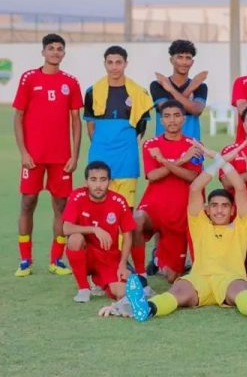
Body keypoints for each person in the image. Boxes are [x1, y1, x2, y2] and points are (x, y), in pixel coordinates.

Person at [124, 142, 247, 324]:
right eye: (214, 205)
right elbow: (195, 187)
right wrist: (217, 163)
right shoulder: (200, 223)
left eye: (225, 206)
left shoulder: (241, 226)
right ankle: (147, 308)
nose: (219, 210)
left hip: (229, 278)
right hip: (199, 278)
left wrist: (224, 162)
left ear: (232, 210)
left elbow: (241, 188)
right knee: (178, 291)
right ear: (207, 210)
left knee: (238, 291)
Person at [14, 33, 83, 277]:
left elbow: (76, 121)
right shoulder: (29, 78)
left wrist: (74, 155)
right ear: (43, 52)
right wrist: (24, 152)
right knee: (28, 202)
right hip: (33, 156)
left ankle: (56, 260)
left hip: (61, 157)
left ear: (64, 53)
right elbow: (18, 117)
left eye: (59, 48)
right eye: (51, 48)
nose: (55, 52)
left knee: (61, 206)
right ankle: (25, 260)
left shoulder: (70, 82)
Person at [132, 100, 202, 286]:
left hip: (178, 215)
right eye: (167, 116)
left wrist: (164, 161)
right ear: (161, 120)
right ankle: (140, 274)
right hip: (153, 208)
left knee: (172, 277)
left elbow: (192, 176)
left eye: (177, 115)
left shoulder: (195, 145)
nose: (172, 120)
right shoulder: (150, 144)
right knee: (136, 219)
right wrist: (181, 160)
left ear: (184, 119)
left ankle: (160, 258)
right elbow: (153, 176)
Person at [84, 46, 153, 208]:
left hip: (126, 159)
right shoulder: (92, 92)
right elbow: (91, 127)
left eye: (118, 62)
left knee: (126, 209)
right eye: (110, 62)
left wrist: (125, 144)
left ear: (125, 64)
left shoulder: (139, 93)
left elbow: (141, 129)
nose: (114, 67)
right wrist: (103, 144)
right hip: (100, 157)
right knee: (98, 208)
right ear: (104, 64)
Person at [62, 161, 134, 303]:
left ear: (109, 182)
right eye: (93, 180)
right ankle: (84, 289)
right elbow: (66, 228)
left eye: (103, 180)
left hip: (108, 257)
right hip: (87, 254)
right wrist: (94, 229)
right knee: (75, 238)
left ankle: (99, 280)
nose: (98, 185)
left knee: (121, 293)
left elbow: (128, 235)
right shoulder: (77, 196)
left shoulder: (119, 201)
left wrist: (122, 264)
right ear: (86, 182)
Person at [150, 39, 208, 140]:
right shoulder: (158, 85)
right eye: (180, 57)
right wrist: (190, 89)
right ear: (171, 60)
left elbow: (196, 110)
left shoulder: (200, 86)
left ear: (192, 62)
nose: (184, 62)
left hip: (192, 146)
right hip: (164, 146)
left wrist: (171, 90)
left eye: (188, 58)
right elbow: (168, 110)